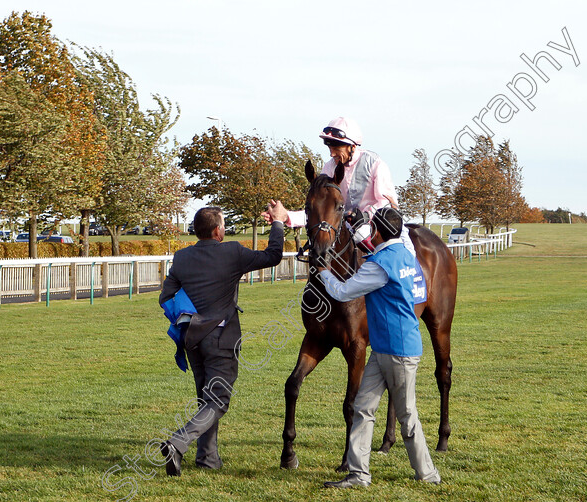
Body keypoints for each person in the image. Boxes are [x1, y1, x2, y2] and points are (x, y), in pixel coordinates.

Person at [158, 203, 287, 476]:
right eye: (224, 225)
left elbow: (166, 298)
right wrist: (277, 223)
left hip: (192, 338)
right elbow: (274, 255)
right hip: (221, 338)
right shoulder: (232, 252)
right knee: (218, 401)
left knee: (206, 399)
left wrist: (191, 316)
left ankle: (208, 458)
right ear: (218, 230)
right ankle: (177, 443)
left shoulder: (181, 258)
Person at [318, 207, 441, 489]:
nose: (370, 231)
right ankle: (358, 474)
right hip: (389, 347)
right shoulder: (405, 256)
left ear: (380, 231)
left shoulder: (379, 264)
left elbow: (341, 291)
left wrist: (323, 272)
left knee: (407, 415)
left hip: (396, 351)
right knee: (363, 407)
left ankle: (428, 474)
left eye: (373, 227)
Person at [261, 116, 415, 256]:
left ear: (352, 147)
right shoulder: (329, 168)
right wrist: (286, 216)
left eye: (336, 149)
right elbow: (321, 208)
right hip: (344, 226)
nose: (331, 154)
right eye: (330, 148)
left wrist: (365, 216)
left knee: (364, 234)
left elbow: (388, 203)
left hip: (379, 225)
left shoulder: (375, 163)